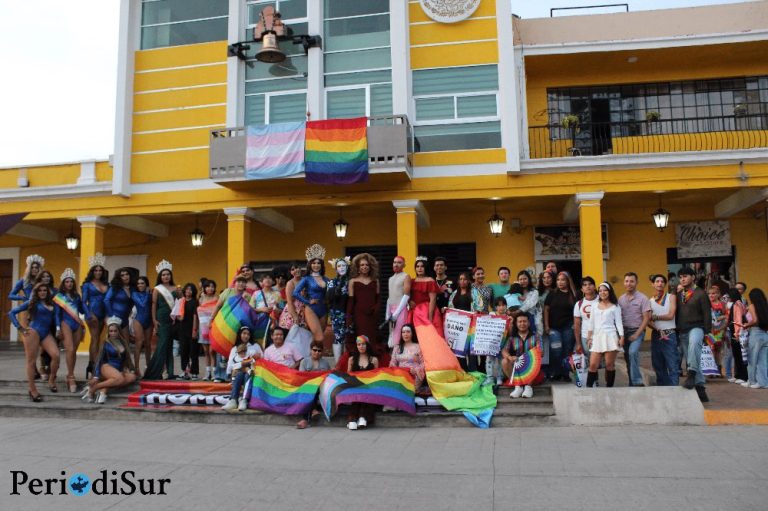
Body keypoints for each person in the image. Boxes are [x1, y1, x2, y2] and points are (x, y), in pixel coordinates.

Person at [9, 283, 60, 401]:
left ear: (48, 292)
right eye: (40, 290)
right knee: (31, 362)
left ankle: (51, 380)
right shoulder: (32, 302)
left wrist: (58, 328)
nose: (42, 292)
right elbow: (11, 313)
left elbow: (57, 317)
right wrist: (20, 328)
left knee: (56, 355)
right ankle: (32, 389)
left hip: (46, 333)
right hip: (33, 332)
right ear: (36, 292)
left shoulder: (52, 303)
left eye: (45, 290)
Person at [676, 267, 712, 402]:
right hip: (682, 330)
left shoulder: (701, 293)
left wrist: (707, 332)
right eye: (681, 277)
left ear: (693, 277)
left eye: (685, 276)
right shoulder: (679, 294)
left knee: (694, 345)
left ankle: (691, 374)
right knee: (692, 358)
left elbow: (707, 313)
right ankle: (700, 388)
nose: (682, 279)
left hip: (697, 327)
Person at [210, 273, 253, 383]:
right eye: (238, 281)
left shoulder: (247, 296)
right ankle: (219, 375)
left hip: (239, 328)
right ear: (235, 283)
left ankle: (232, 375)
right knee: (221, 348)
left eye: (243, 282)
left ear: (245, 284)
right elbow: (218, 306)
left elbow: (250, 311)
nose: (240, 283)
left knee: (236, 351)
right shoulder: (227, 292)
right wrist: (212, 319)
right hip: (224, 325)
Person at [84, 316, 137, 404]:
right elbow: (99, 360)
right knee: (119, 378)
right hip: (106, 367)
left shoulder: (123, 343)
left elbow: (126, 359)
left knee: (132, 377)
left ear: (119, 331)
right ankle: (94, 388)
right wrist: (96, 376)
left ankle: (103, 389)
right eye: (111, 331)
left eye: (115, 331)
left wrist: (129, 369)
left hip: (117, 370)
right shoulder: (105, 343)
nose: (113, 333)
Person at [144, 260, 179, 380]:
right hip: (161, 319)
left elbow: (180, 304)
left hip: (173, 319)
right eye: (163, 275)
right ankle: (154, 371)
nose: (166, 276)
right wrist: (154, 320)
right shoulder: (157, 289)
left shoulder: (176, 288)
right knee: (162, 345)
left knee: (170, 345)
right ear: (160, 276)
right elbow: (154, 305)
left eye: (168, 274)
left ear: (171, 275)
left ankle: (170, 372)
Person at [585, 282, 624, 388]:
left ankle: (609, 388)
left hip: (611, 337)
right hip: (597, 337)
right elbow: (591, 323)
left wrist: (622, 337)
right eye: (600, 290)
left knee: (609, 365)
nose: (603, 292)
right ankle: (588, 389)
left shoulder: (615, 306)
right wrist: (589, 338)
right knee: (593, 365)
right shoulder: (594, 306)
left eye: (605, 290)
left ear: (609, 291)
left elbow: (619, 323)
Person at [54, 269, 86, 393]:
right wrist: (57, 328)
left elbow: (82, 311)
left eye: (71, 281)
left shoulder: (77, 296)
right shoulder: (59, 297)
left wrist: (85, 297)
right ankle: (71, 376)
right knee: (70, 349)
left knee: (73, 352)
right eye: (67, 281)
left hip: (76, 324)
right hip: (65, 323)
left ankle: (70, 375)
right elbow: (57, 314)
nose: (69, 284)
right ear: (63, 283)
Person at [618, 272, 652, 387]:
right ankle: (632, 383)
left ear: (636, 283)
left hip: (637, 331)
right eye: (627, 281)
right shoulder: (620, 299)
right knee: (628, 358)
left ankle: (637, 381)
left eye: (632, 281)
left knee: (633, 353)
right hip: (624, 332)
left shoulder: (643, 298)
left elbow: (646, 318)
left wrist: (637, 334)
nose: (629, 284)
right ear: (624, 283)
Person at [544, 271, 577, 381]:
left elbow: (577, 313)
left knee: (567, 351)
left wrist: (575, 326)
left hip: (568, 327)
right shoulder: (552, 294)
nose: (560, 282)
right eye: (558, 280)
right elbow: (546, 310)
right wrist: (547, 326)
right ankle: (556, 372)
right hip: (554, 328)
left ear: (568, 281)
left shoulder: (574, 295)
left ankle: (565, 373)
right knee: (556, 350)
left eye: (563, 280)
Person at [293, 244, 329, 344]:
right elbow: (295, 293)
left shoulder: (326, 279)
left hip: (323, 309)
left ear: (321, 265)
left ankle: (312, 358)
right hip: (311, 309)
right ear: (310, 264)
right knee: (319, 337)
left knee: (317, 339)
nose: (316, 265)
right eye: (313, 263)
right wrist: (308, 301)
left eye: (318, 263)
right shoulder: (306, 279)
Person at [221, 327, 264, 412]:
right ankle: (233, 400)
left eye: (248, 334)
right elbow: (230, 366)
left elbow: (261, 359)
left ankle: (244, 400)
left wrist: (245, 363)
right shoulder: (235, 348)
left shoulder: (255, 346)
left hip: (253, 372)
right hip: (238, 373)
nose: (246, 336)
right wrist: (245, 363)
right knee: (240, 374)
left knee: (247, 374)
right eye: (244, 333)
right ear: (240, 334)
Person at [81, 253, 109, 380]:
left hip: (104, 314)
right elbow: (83, 301)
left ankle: (92, 365)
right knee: (95, 338)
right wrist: (89, 314)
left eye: (100, 270)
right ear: (92, 271)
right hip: (92, 313)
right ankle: (95, 367)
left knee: (98, 340)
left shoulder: (106, 284)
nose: (98, 272)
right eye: (96, 270)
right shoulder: (87, 285)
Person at [346, 253, 380, 355]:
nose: (364, 267)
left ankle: (371, 359)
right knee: (360, 337)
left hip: (372, 315)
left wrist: (376, 308)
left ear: (370, 267)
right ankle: (360, 360)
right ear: (358, 267)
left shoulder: (375, 281)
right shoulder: (352, 281)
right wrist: (348, 317)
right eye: (362, 265)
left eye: (367, 265)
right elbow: (351, 301)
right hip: (359, 315)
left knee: (372, 337)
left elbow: (378, 298)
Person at [649, 274, 679, 386]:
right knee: (658, 364)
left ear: (665, 284)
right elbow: (647, 320)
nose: (660, 283)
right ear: (653, 284)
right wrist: (657, 328)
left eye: (662, 281)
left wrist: (655, 317)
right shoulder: (650, 301)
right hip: (656, 334)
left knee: (672, 363)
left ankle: (674, 388)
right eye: (657, 281)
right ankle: (663, 389)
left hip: (669, 333)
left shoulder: (671, 297)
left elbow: (671, 315)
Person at [501, 314, 540, 398]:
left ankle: (528, 387)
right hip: (516, 366)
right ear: (516, 323)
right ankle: (518, 387)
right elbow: (504, 350)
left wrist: (528, 357)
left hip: (531, 367)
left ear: (529, 323)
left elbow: (541, 352)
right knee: (504, 361)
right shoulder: (512, 338)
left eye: (524, 321)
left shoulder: (536, 336)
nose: (522, 324)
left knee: (536, 359)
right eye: (520, 321)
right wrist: (510, 357)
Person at [296, 340, 332, 429]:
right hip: (308, 387)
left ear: (322, 352)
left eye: (319, 351)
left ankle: (308, 416)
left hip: (322, 387)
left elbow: (329, 376)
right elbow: (301, 376)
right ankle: (311, 412)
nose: (317, 352)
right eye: (315, 350)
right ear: (310, 350)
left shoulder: (325, 363)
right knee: (311, 391)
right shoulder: (304, 361)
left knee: (315, 390)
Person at [346, 335, 379, 430]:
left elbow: (377, 377)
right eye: (359, 344)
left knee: (366, 394)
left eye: (363, 344)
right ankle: (352, 419)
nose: (361, 346)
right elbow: (348, 376)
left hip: (369, 387)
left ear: (367, 345)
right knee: (358, 394)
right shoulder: (351, 360)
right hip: (355, 387)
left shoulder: (374, 360)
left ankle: (362, 417)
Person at [739, 288, 768, 389]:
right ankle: (763, 382)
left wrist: (746, 325)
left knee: (752, 359)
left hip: (755, 333)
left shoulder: (752, 306)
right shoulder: (765, 305)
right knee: (762, 360)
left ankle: (751, 381)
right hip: (765, 334)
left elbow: (755, 320)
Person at [408, 257, 443, 337]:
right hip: (414, 311)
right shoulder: (412, 281)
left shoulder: (430, 280)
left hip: (427, 310)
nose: (419, 268)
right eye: (417, 266)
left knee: (430, 335)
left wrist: (430, 317)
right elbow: (407, 295)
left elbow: (433, 299)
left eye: (422, 266)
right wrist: (409, 301)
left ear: (426, 268)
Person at [327, 257, 351, 361]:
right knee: (338, 338)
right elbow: (328, 298)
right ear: (336, 269)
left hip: (350, 313)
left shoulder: (351, 281)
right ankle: (338, 363)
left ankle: (348, 362)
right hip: (336, 314)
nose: (341, 268)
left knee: (349, 338)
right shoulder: (332, 282)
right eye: (339, 266)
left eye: (343, 265)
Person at [385, 256, 411, 349]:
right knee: (391, 333)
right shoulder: (390, 278)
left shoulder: (406, 276)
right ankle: (394, 357)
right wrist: (387, 312)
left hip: (401, 309)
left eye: (399, 262)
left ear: (404, 265)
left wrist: (397, 312)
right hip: (391, 309)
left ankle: (401, 356)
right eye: (394, 262)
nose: (396, 264)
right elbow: (389, 297)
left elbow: (406, 295)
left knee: (399, 332)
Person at [390, 323, 425, 390]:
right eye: (403, 332)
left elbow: (424, 363)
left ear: (412, 333)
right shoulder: (397, 347)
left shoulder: (418, 347)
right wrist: (396, 371)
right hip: (400, 375)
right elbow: (393, 362)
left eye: (408, 332)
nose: (405, 334)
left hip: (414, 375)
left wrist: (416, 370)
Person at [104, 267, 136, 342]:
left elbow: (132, 302)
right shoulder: (115, 287)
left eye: (127, 274)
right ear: (119, 278)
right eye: (122, 275)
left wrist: (130, 310)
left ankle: (125, 354)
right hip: (114, 318)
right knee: (114, 343)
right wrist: (111, 316)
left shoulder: (133, 288)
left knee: (126, 342)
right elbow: (106, 300)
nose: (125, 276)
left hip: (125, 319)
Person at [131, 276, 153, 378]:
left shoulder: (151, 293)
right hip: (138, 319)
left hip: (149, 321)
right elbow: (142, 303)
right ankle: (136, 368)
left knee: (148, 344)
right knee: (139, 343)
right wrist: (149, 294)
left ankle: (148, 367)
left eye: (142, 283)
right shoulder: (134, 294)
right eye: (138, 283)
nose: (140, 285)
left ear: (146, 284)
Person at [726, 288, 748, 384]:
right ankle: (739, 375)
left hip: (736, 332)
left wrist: (737, 333)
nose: (728, 298)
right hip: (739, 331)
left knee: (738, 354)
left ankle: (742, 376)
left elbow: (738, 320)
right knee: (739, 354)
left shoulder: (736, 305)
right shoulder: (741, 303)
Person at [197, 279, 218, 380]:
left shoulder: (217, 298)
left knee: (212, 351)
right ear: (204, 288)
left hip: (213, 327)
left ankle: (215, 373)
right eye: (208, 286)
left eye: (212, 286)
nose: (211, 288)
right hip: (203, 328)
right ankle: (208, 372)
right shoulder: (201, 298)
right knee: (206, 352)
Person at [177, 283, 199, 379]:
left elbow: (195, 316)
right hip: (182, 329)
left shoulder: (195, 302)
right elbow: (175, 313)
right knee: (183, 351)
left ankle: (194, 372)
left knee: (193, 351)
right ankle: (184, 371)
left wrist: (194, 330)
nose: (188, 291)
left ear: (193, 292)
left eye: (190, 290)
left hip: (192, 329)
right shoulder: (181, 301)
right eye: (187, 289)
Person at [573, 276, 599, 359]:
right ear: (582, 289)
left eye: (590, 284)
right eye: (585, 285)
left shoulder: (602, 300)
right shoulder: (579, 304)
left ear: (594, 287)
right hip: (585, 337)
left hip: (602, 335)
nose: (588, 286)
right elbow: (577, 325)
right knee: (592, 364)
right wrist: (578, 343)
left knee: (606, 364)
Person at [278, 262, 305, 331]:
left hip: (305, 310)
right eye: (293, 269)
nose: (296, 270)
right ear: (290, 272)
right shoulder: (290, 283)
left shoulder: (306, 280)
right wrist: (295, 316)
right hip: (293, 311)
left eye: (297, 268)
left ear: (300, 268)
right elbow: (289, 302)